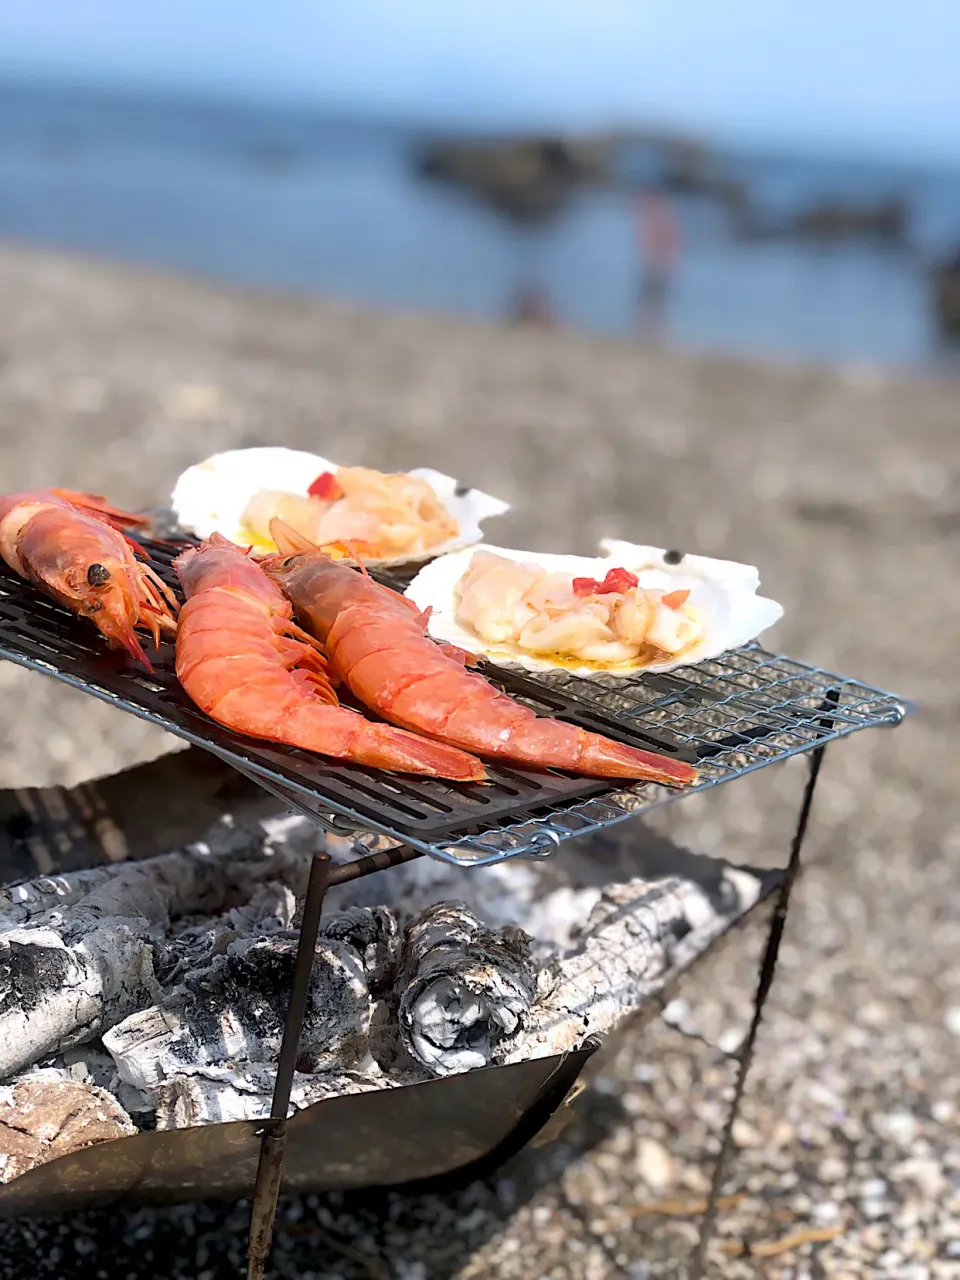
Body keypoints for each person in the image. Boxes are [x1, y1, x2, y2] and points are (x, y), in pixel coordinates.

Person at [633, 189, 680, 335]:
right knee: (653, 301)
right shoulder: (660, 218)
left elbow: (668, 243)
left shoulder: (659, 219)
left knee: (652, 301)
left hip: (657, 268)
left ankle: (651, 330)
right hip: (659, 268)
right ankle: (650, 330)